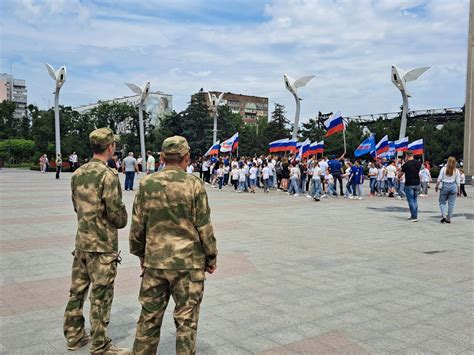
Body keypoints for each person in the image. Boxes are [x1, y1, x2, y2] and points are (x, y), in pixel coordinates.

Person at [129, 136, 217, 354]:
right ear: (186, 158)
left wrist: (141, 255)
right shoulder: (194, 184)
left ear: (161, 157)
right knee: (186, 323)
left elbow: (137, 226)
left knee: (148, 319)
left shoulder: (147, 183)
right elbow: (204, 225)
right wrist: (211, 256)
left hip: (155, 262)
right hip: (188, 265)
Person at [63, 128, 128, 354]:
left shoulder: (78, 173)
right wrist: (123, 219)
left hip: (82, 242)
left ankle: (74, 336)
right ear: (110, 147)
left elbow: (75, 206)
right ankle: (100, 344)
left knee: (77, 292)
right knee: (101, 295)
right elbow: (117, 215)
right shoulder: (107, 175)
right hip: (102, 245)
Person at [435, 156, 460, 223]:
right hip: (453, 186)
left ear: (447, 162)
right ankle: (449, 218)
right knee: (451, 204)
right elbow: (458, 182)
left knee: (442, 202)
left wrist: (436, 187)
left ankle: (444, 216)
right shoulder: (456, 170)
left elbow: (439, 179)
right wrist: (458, 191)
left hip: (444, 186)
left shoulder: (443, 169)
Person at [399, 151, 422, 222]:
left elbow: (400, 174)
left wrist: (398, 176)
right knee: (415, 200)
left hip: (409, 184)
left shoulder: (406, 164)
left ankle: (414, 217)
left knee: (411, 201)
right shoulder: (418, 163)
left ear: (407, 156)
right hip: (417, 183)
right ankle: (414, 215)